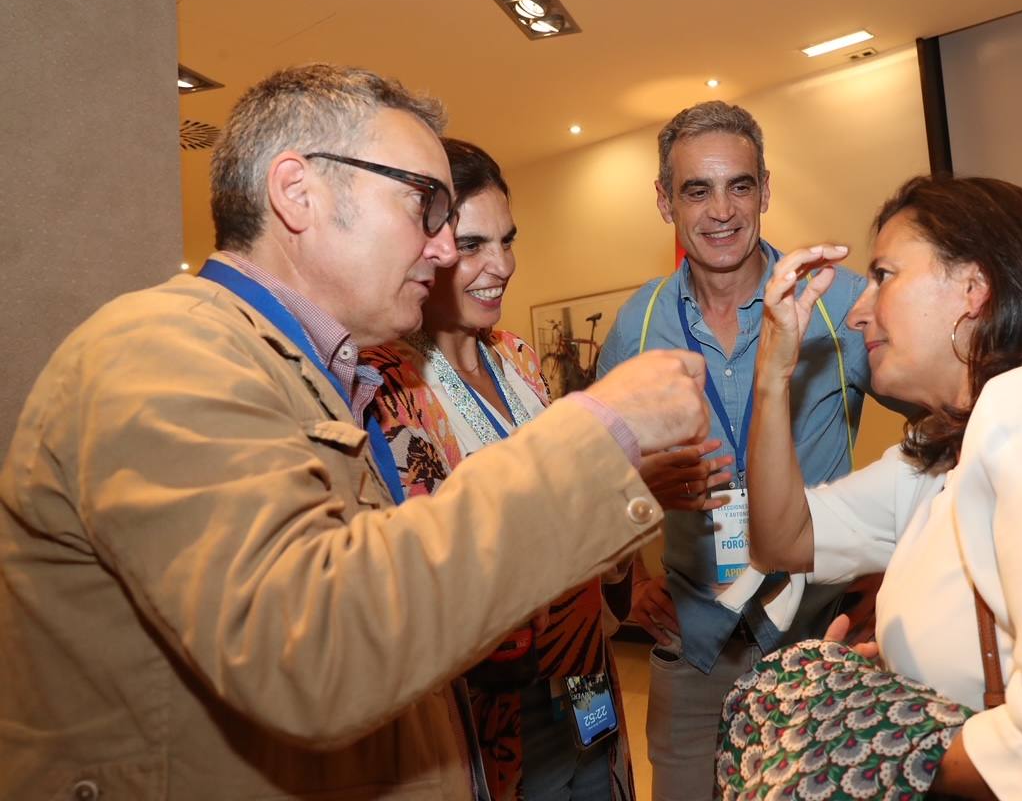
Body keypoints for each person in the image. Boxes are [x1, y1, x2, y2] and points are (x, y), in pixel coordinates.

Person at [0, 64, 709, 800]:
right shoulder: (161, 350)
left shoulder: (321, 378)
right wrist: (600, 433)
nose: (443, 250)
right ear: (298, 192)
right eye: (423, 204)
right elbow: (308, 651)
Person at [746, 175, 1022, 798]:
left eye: (884, 275)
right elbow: (781, 538)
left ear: (974, 287)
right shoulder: (941, 462)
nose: (857, 312)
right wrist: (773, 373)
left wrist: (874, 735)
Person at [595, 100, 878, 801]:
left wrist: (898, 559)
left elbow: (951, 419)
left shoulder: (838, 302)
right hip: (696, 650)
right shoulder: (641, 323)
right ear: (665, 201)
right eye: (697, 190)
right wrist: (624, 584)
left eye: (739, 186)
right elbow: (593, 472)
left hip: (824, 640)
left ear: (766, 190)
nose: (722, 211)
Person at [365, 138, 635, 800]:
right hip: (494, 707)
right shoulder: (391, 384)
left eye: (508, 241)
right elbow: (433, 557)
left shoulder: (516, 358)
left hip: (584, 675)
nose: (503, 265)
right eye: (476, 244)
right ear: (426, 247)